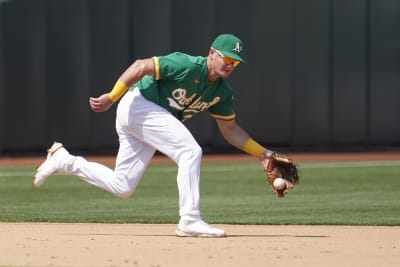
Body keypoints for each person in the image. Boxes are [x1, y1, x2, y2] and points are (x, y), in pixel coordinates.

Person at [34, 34, 274, 238]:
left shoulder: (222, 92)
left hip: (146, 118)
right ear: (212, 53)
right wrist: (112, 95)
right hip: (140, 104)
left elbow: (230, 131)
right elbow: (140, 66)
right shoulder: (187, 65)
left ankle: (64, 160)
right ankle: (189, 219)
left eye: (236, 62)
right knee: (190, 151)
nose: (231, 65)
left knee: (122, 186)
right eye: (228, 58)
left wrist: (262, 154)